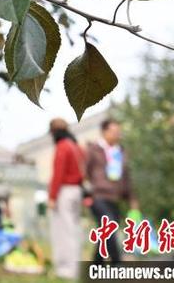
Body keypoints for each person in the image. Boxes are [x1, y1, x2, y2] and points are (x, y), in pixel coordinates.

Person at [87, 118, 138, 264]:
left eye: (119, 132)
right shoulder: (94, 149)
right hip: (99, 196)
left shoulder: (121, 151)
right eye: (114, 131)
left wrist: (132, 200)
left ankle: (96, 265)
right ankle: (117, 262)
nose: (117, 134)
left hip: (115, 198)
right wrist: (87, 192)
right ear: (104, 131)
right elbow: (85, 170)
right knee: (109, 226)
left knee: (106, 231)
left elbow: (126, 177)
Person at [47, 118, 84, 279]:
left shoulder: (62, 147)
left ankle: (67, 269)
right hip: (77, 191)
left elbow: (58, 174)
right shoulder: (76, 147)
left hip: (65, 191)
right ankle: (73, 267)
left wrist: (52, 196)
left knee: (63, 231)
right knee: (73, 229)